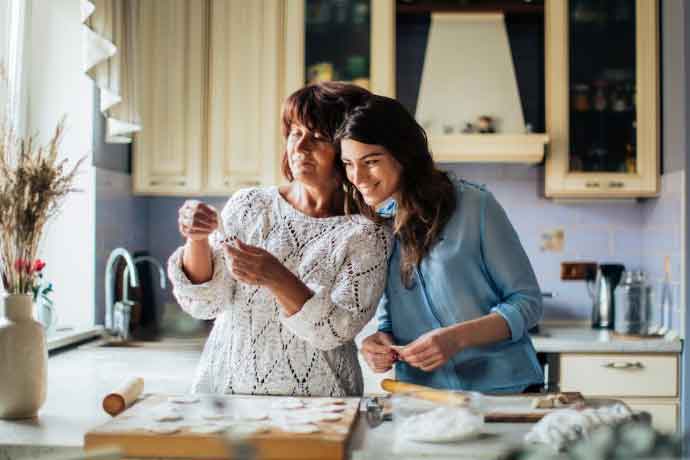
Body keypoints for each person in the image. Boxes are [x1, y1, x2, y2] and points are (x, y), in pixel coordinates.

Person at [167, 82, 392, 396]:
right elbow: (205, 303)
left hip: (321, 401)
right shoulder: (250, 205)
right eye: (295, 133)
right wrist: (198, 239)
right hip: (225, 392)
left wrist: (276, 277)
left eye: (316, 138)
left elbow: (334, 330)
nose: (299, 148)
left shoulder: (367, 233)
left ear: (347, 149)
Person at [337, 95, 544, 393]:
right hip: (425, 398)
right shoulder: (373, 226)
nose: (357, 177)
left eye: (371, 162)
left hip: (504, 391)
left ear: (403, 155)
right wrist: (379, 339)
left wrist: (455, 338)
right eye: (348, 164)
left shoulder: (475, 206)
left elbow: (527, 303)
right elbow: (391, 311)